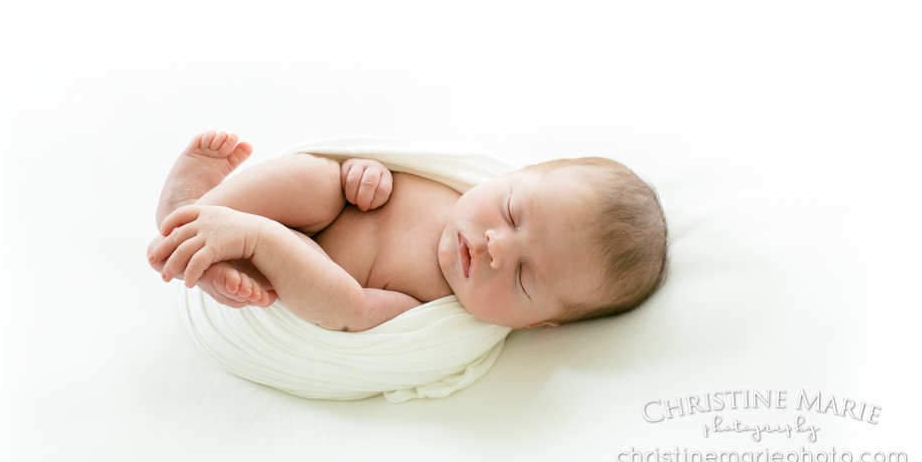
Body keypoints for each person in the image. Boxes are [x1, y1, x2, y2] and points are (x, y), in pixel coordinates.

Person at [147, 131, 668, 332]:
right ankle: (193, 212)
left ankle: (233, 248)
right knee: (318, 178)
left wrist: (267, 243)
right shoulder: (448, 186)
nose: (496, 246)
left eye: (525, 278)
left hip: (294, 266)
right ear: (511, 177)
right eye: (512, 212)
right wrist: (363, 173)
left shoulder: (434, 307)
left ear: (537, 324)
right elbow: (374, 168)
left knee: (317, 283)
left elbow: (349, 311)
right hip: (316, 209)